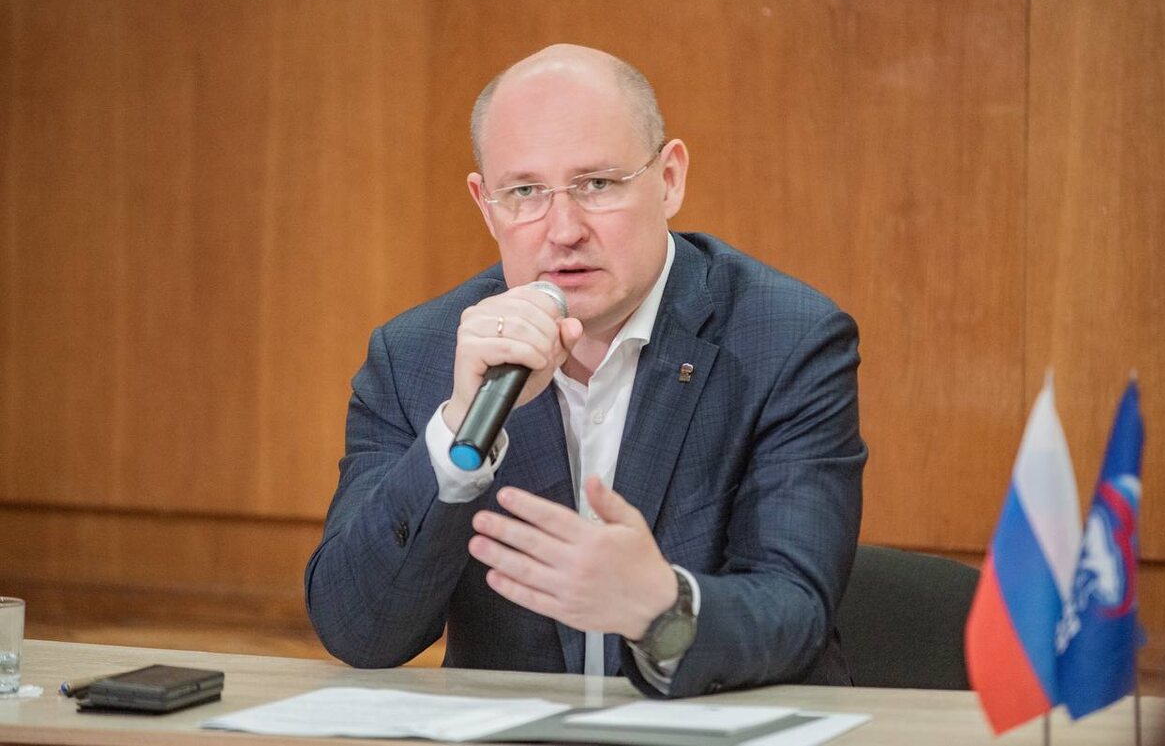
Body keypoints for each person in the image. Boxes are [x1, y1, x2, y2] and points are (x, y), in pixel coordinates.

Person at [305, 44, 866, 697]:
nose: (564, 229)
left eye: (597, 184)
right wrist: (457, 432)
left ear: (669, 179)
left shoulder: (786, 339)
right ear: (486, 204)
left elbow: (795, 611)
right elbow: (358, 631)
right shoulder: (417, 355)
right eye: (525, 192)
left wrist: (659, 606)